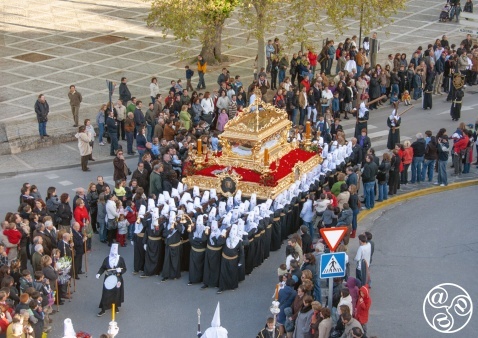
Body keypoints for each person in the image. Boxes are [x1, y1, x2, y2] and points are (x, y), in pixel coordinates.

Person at [96, 244, 127, 317]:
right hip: (108, 278)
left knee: (116, 293)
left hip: (117, 278)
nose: (114, 255)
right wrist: (99, 274)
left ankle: (115, 306)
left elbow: (124, 269)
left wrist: (120, 271)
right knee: (106, 293)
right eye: (113, 254)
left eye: (115, 254)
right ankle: (103, 309)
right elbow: (103, 268)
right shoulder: (107, 259)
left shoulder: (121, 259)